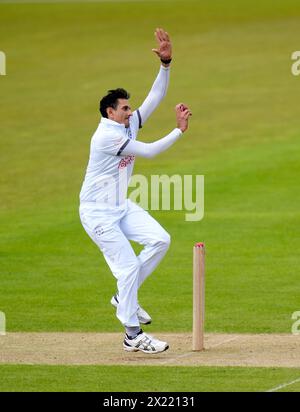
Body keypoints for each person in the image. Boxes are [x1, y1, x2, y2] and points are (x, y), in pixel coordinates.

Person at [79, 28, 191, 354]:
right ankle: (132, 335)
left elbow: (155, 97)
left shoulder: (125, 123)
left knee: (161, 240)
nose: (131, 112)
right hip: (97, 213)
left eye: (129, 108)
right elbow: (152, 151)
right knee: (127, 268)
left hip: (120, 206)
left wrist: (166, 64)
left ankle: (122, 296)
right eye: (125, 108)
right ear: (110, 112)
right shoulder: (106, 136)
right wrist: (179, 131)